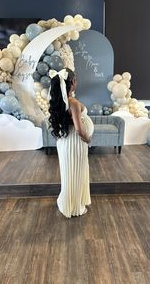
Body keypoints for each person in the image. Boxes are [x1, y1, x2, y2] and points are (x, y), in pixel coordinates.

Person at [48, 67, 94, 218]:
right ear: (72, 82)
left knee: (69, 174)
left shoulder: (61, 101)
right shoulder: (72, 102)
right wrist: (89, 140)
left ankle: (68, 202)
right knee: (76, 173)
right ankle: (74, 208)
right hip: (76, 142)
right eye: (76, 80)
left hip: (66, 142)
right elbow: (80, 130)